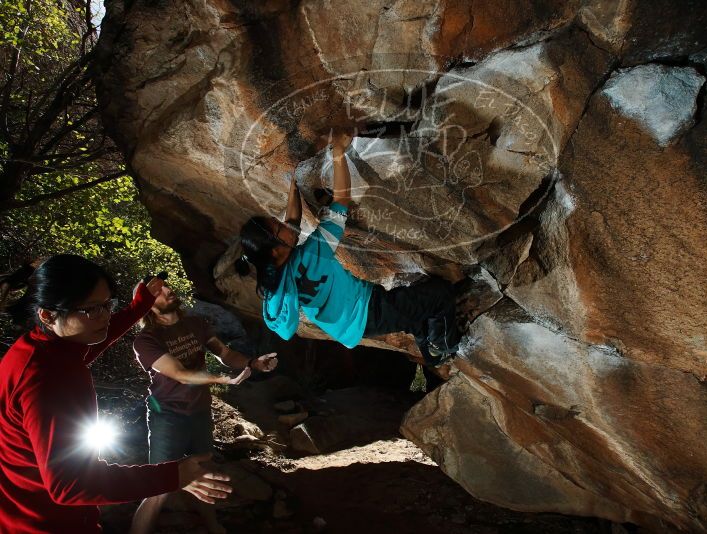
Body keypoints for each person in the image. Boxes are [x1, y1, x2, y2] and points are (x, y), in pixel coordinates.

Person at [0, 254, 232, 534]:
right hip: (47, 524)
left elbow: (103, 334)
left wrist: (140, 305)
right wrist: (174, 475)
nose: (105, 316)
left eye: (107, 305)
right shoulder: (47, 379)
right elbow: (70, 485)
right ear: (48, 315)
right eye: (91, 310)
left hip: (23, 513)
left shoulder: (43, 348)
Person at [238, 130, 462, 365]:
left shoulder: (275, 279)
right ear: (275, 249)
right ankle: (441, 349)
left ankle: (427, 347)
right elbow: (341, 201)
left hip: (350, 321)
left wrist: (294, 183)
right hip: (369, 311)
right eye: (278, 227)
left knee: (413, 314)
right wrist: (338, 154)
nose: (285, 222)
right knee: (441, 294)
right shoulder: (313, 254)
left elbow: (292, 222)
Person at [130, 279, 278, 534]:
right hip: (167, 414)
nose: (167, 290)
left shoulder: (196, 323)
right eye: (158, 292)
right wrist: (222, 379)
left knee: (205, 472)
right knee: (160, 487)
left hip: (199, 409)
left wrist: (253, 363)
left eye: (165, 285)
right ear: (147, 305)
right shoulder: (146, 340)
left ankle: (214, 527)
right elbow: (180, 374)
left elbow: (226, 353)